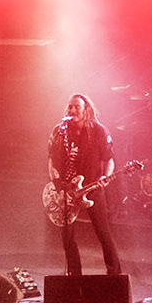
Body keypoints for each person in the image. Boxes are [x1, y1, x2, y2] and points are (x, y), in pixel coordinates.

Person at [46, 93, 122, 276]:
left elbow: (109, 159)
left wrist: (106, 177)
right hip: (66, 190)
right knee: (67, 237)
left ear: (86, 110)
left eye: (76, 107)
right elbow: (51, 159)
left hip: (92, 188)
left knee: (103, 232)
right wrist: (57, 184)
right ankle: (74, 274)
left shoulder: (98, 131)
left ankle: (114, 274)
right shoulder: (59, 131)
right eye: (70, 107)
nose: (72, 110)